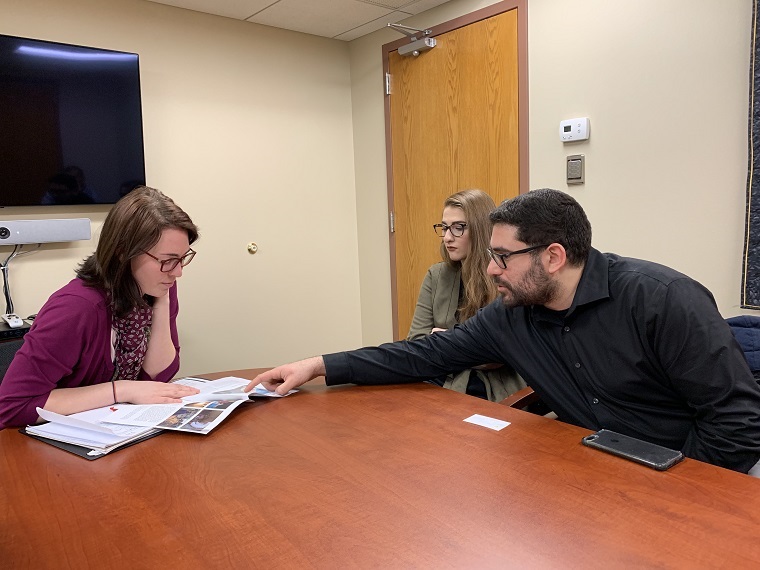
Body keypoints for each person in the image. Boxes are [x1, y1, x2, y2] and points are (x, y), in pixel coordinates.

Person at [247, 189, 760, 474]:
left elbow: (737, 422)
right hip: (592, 471)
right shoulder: (511, 314)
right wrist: (318, 365)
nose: (489, 270)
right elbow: (422, 356)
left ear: (553, 257)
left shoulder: (662, 299)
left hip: (680, 474)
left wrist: (678, 478)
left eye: (501, 257)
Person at [0, 186, 201, 429]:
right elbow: (12, 406)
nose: (178, 272)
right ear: (123, 252)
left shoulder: (157, 287)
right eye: (167, 260)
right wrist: (121, 390)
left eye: (182, 259)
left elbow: (159, 377)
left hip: (120, 432)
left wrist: (162, 302)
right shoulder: (75, 308)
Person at [409, 189, 525, 401]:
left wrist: (443, 342)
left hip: (493, 388)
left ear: (480, 230)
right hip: (440, 380)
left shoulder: (504, 276)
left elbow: (499, 355)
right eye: (444, 228)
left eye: (458, 228)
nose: (447, 237)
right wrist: (467, 350)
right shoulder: (435, 276)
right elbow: (417, 340)